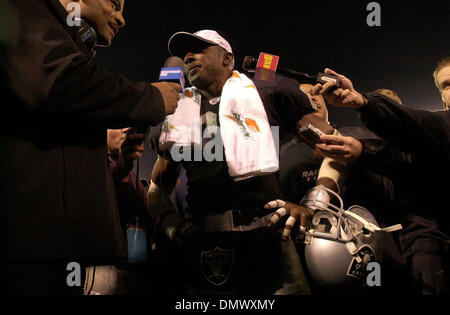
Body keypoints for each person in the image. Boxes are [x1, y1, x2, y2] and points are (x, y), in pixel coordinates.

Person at [148, 30, 350, 294]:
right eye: (185, 52)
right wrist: (171, 224)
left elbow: (340, 148)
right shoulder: (177, 113)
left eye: (199, 49)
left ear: (227, 59)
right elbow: (157, 187)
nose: (188, 56)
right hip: (205, 246)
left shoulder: (266, 93)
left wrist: (317, 201)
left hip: (268, 239)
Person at [0, 0, 180, 294]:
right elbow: (59, 81)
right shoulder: (23, 6)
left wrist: (121, 166)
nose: (121, 19)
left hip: (51, 246)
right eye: (115, 4)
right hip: (27, 247)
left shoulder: (67, 36)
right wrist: (150, 98)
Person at [313, 68, 450, 294]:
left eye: (397, 110)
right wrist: (321, 196)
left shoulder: (429, 134)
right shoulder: (356, 136)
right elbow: (336, 156)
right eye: (446, 84)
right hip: (390, 238)